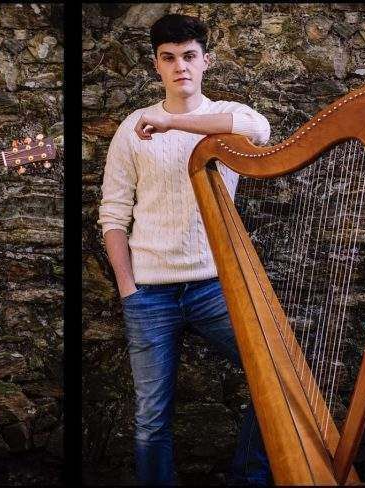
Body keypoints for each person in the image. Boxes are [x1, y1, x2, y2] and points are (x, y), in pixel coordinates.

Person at [98, 13, 272, 486]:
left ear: (206, 61)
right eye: (169, 58)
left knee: (272, 381)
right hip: (150, 294)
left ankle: (248, 478)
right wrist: (128, 289)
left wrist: (173, 121)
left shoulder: (228, 118)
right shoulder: (133, 128)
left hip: (216, 287)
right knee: (151, 420)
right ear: (156, 65)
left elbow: (262, 130)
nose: (181, 67)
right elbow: (113, 215)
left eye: (189, 57)